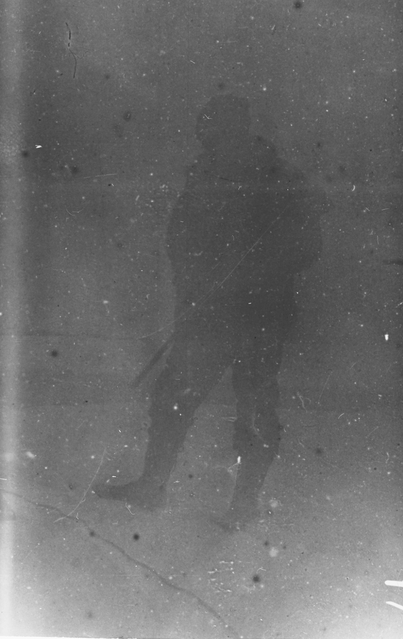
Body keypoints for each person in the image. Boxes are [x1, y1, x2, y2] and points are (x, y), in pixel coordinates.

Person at [95, 94, 323, 530]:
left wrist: (252, 272)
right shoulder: (205, 174)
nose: (209, 139)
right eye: (207, 132)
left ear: (239, 129)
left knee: (254, 408)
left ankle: (243, 506)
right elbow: (180, 236)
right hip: (206, 313)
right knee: (173, 395)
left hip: (259, 315)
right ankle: (152, 486)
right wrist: (196, 278)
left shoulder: (280, 179)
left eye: (217, 130)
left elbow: (307, 246)